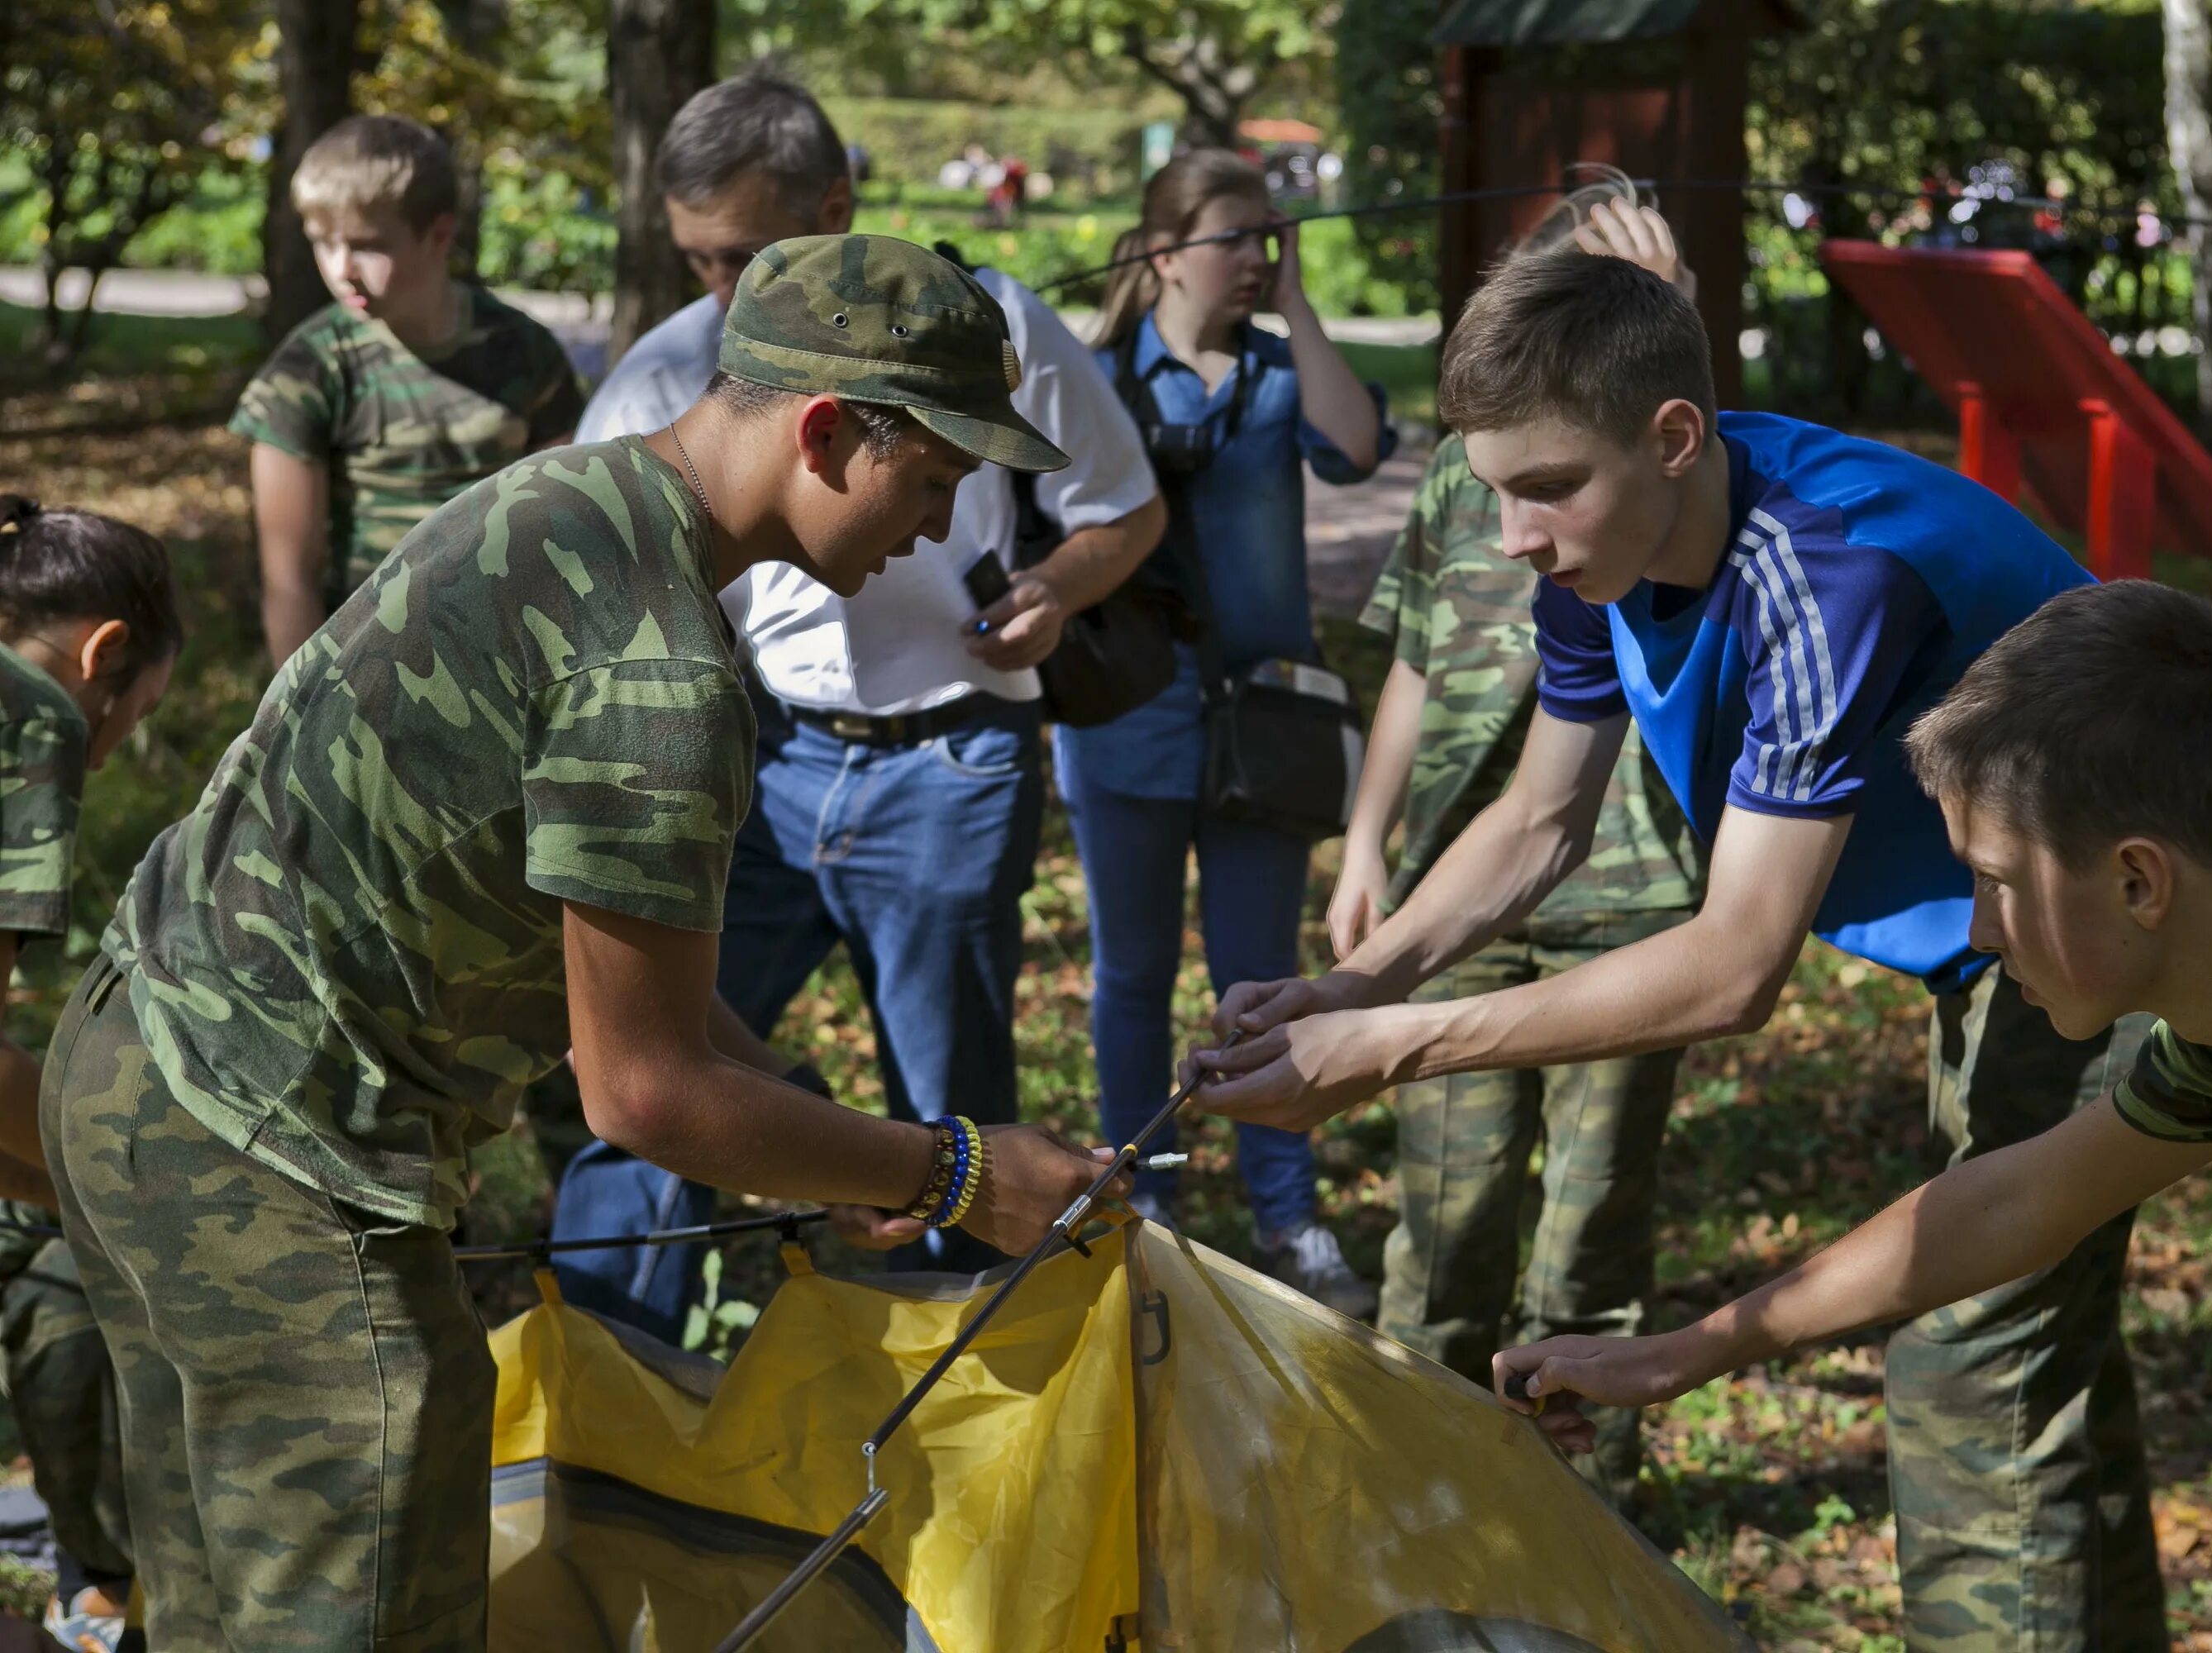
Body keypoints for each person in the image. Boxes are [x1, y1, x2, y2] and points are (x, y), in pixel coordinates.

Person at [41, 236, 1126, 1651]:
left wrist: (817, 1129)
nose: (941, 527)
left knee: (213, 1614)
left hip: (133, 1079)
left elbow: (616, 978)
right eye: (933, 480)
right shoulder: (662, 676)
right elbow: (646, 1092)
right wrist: (960, 1173)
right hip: (278, 1174)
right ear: (824, 433)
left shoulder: (563, 500)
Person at [1189, 202, 2168, 1648]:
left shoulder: (1829, 573)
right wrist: (1356, 980)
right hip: (2009, 941)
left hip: (2120, 936)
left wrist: (1395, 1049)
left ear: (1671, 437)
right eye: (1496, 491)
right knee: (2031, 1344)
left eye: (1546, 489)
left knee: (1974, 1368)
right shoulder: (1610, 550)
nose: (1514, 536)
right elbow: (1538, 821)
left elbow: (1733, 964)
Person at [1496, 579, 2212, 1649]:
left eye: (1997, 880)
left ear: (2140, 882)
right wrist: (1690, 1351)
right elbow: (2020, 1199)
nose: (1980, 928)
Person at [565, 73, 1165, 1329]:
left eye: (745, 254)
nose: (724, 291)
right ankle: (607, 1358)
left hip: (948, 762)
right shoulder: (671, 372)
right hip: (759, 760)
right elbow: (643, 1074)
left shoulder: (988, 328)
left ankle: (950, 1404)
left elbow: (1126, 506)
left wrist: (1055, 587)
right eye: (700, 261)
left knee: (947, 1110)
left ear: (832, 204)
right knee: (667, 1061)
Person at [1335, 182, 1705, 1511]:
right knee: (1442, 1233)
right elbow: (1416, 667)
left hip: (1636, 904)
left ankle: (1582, 1527)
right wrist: (1368, 844)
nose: (1525, 526)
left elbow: (1695, 458)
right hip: (1464, 893)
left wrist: (1680, 316)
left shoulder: (1676, 481)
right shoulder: (1472, 471)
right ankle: (1409, 1506)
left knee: (1591, 1245)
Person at [1068, 148, 1395, 1315]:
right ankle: (1141, 1197)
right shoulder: (1097, 378)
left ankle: (1288, 1216)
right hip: (1126, 718)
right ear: (1164, 249)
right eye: (1238, 239)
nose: (1259, 257)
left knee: (1260, 982)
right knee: (1132, 977)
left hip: (1267, 726)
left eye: (1274, 237)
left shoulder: (1272, 374)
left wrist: (1300, 303)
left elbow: (1356, 447)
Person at [0, 498, 182, 1653]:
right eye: (140, 714)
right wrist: (127, 1188)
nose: (117, 745)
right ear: (102, 653)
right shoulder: (31, 715)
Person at [232, 113, 584, 668]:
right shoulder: (307, 369)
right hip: (362, 669)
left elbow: (559, 536)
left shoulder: (524, 354)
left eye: (367, 246)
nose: (341, 268)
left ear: (440, 234)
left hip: (505, 662)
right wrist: (297, 729)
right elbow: (288, 580)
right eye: (323, 243)